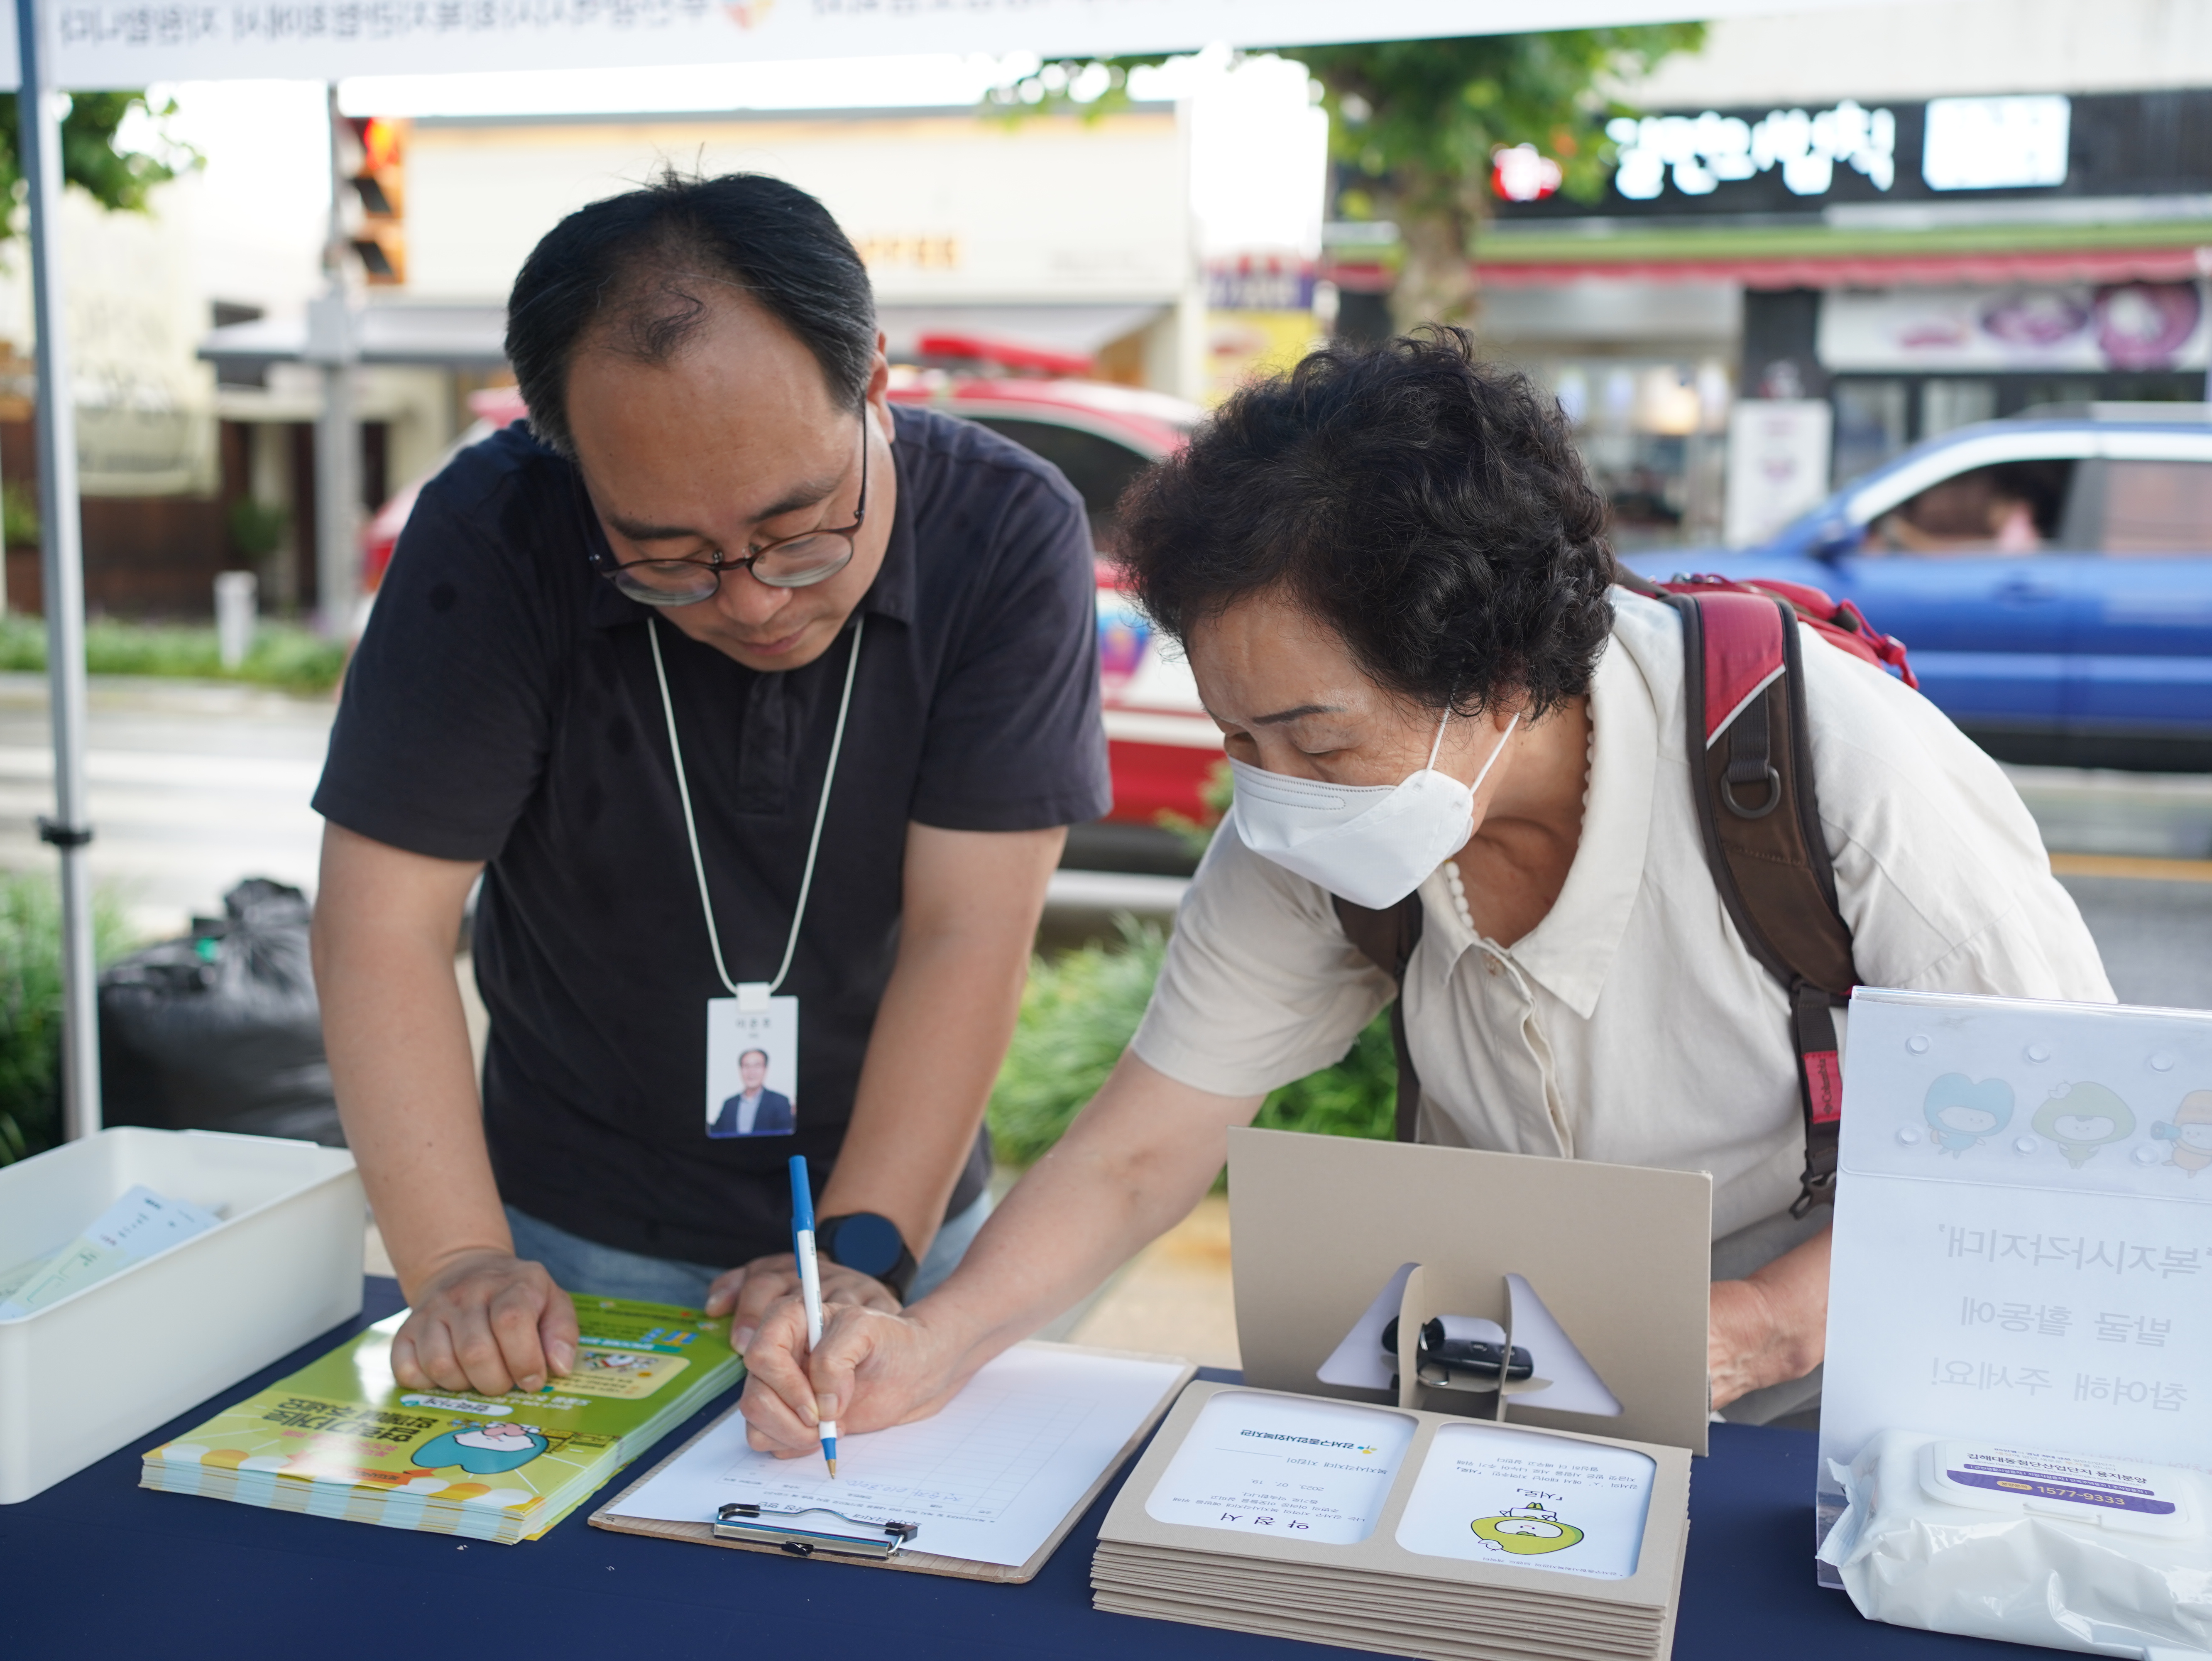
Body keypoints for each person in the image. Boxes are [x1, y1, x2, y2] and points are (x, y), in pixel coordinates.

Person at [736, 329, 2113, 1456]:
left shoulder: (1839, 770)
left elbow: (2059, 1154)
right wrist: (933, 1344)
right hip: (1519, 1399)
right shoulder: (1309, 836)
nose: (1273, 792)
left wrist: (1759, 1324)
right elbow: (1141, 1152)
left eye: (1318, 741)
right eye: (1237, 739)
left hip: (1839, 1414)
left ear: (1501, 674)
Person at [311, 171, 1109, 1400]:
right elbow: (382, 924)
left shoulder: (1006, 532)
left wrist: (860, 1251)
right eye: (665, 555)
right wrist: (462, 1263)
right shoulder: (495, 531)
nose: (749, 598)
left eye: (799, 530)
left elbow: (969, 930)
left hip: (893, 1214)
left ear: (875, 383)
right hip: (569, 1227)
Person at [710, 1050, 793, 1139]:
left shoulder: (780, 1102)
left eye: (757, 1066)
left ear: (765, 1069)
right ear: (740, 1070)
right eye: (746, 1066)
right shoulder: (729, 1104)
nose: (751, 1071)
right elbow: (717, 1132)